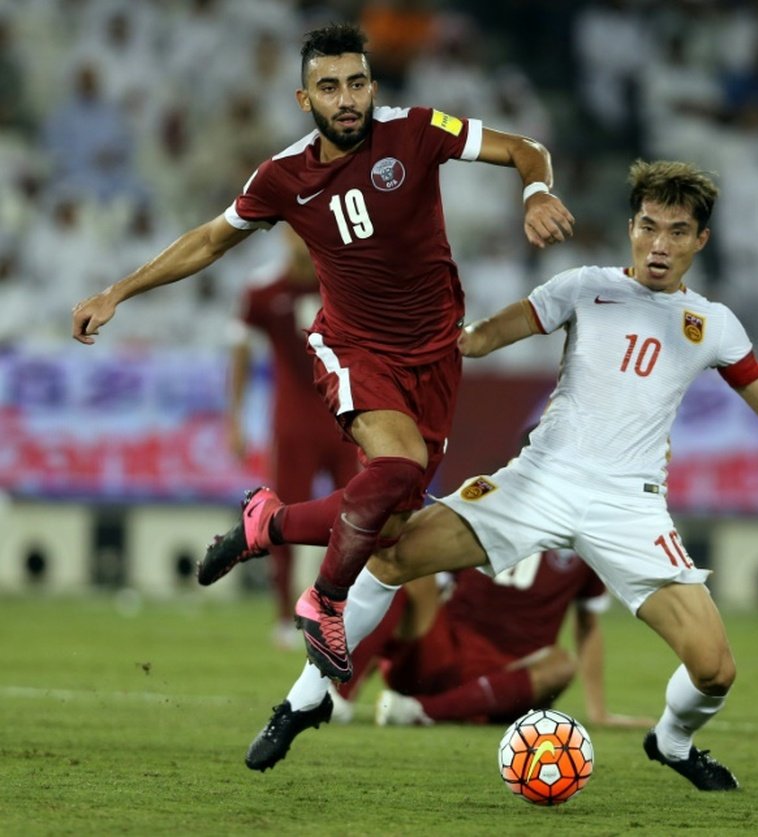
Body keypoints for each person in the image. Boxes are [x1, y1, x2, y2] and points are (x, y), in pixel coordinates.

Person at [217, 159, 758, 791]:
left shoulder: (711, 324)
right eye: (649, 225)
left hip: (631, 507)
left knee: (715, 668)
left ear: (700, 240)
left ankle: (672, 740)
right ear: (630, 227)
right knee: (392, 553)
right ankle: (303, 699)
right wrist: (434, 330)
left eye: (677, 231)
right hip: (541, 480)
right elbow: (483, 337)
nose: (659, 244)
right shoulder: (584, 288)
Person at [71, 22, 575, 682]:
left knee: (392, 525)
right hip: (353, 348)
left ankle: (265, 523)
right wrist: (119, 291)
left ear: (373, 87)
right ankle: (324, 600)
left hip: (436, 357)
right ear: (304, 99)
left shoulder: (416, 130)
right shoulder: (283, 176)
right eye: (329, 86)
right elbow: (208, 241)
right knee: (399, 466)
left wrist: (536, 190)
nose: (347, 99)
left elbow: (524, 147)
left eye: (357, 83)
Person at [245, 550, 653, 770]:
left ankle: (418, 711)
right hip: (443, 650)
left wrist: (597, 711)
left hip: (504, 673)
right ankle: (341, 696)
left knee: (562, 664)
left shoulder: (586, 540)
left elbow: (588, 625)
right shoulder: (492, 501)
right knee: (402, 565)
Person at [228, 224, 359, 646]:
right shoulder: (263, 289)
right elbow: (242, 352)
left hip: (347, 421)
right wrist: (234, 418)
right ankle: (285, 617)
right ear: (285, 236)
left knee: (358, 520)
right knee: (281, 518)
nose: (305, 241)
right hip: (293, 423)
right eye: (297, 234)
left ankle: (347, 611)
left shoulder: (344, 282)